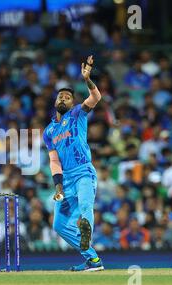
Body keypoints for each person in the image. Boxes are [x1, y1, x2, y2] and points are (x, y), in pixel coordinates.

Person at [43, 55, 104, 271]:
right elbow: (53, 160)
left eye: (68, 97)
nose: (63, 99)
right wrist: (58, 185)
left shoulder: (78, 113)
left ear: (72, 102)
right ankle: (93, 260)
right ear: (55, 102)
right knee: (58, 225)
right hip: (66, 179)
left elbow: (95, 97)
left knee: (86, 206)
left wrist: (88, 79)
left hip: (84, 172)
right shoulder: (49, 131)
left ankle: (85, 228)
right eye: (60, 96)